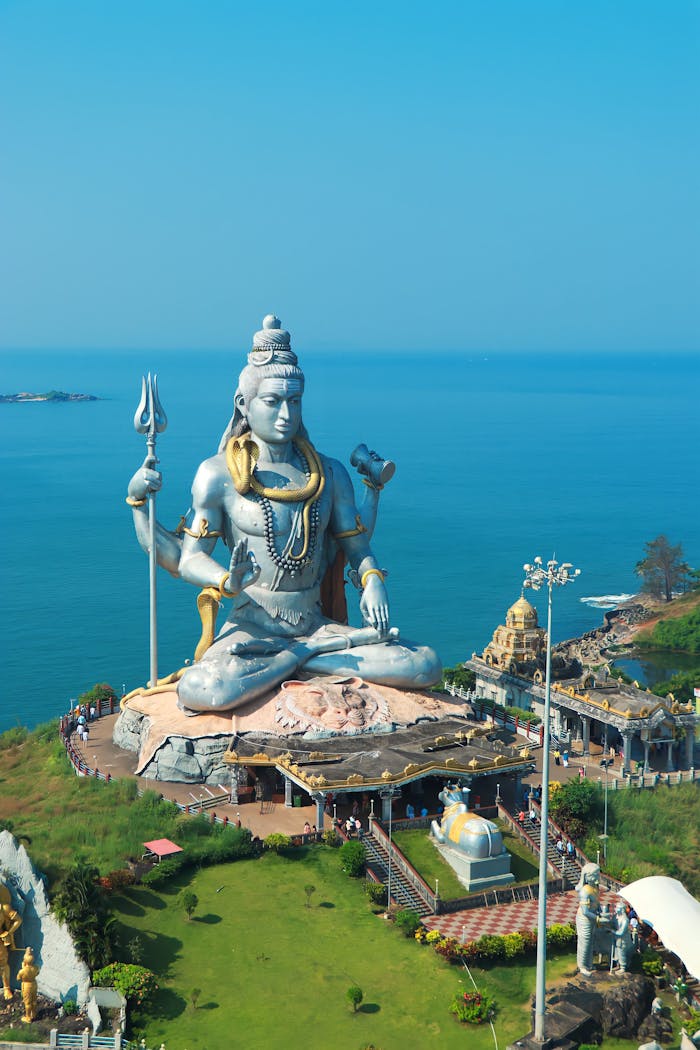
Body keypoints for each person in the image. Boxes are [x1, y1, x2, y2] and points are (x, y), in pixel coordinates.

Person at [127, 315, 441, 713]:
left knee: (423, 664)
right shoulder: (218, 474)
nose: (285, 414)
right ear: (244, 404)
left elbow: (357, 547)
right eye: (272, 401)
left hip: (315, 623)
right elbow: (188, 559)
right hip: (251, 629)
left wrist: (373, 579)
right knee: (204, 688)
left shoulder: (329, 473)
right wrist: (227, 579)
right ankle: (305, 658)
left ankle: (298, 656)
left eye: (294, 401)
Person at [17, 946, 40, 1023]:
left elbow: (18, 978)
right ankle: (34, 1014)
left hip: (26, 986)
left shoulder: (22, 971)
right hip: (34, 984)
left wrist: (23, 967)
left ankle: (28, 1017)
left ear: (25, 960)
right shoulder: (36, 968)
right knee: (34, 1000)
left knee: (28, 1002)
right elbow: (37, 973)